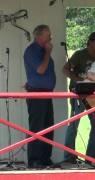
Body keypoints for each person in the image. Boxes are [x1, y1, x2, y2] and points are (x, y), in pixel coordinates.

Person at [62, 32, 95, 163]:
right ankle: (69, 157)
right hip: (78, 94)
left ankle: (91, 156)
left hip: (93, 95)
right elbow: (65, 69)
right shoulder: (80, 55)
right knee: (74, 124)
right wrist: (77, 80)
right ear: (91, 41)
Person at [23, 24, 56, 168]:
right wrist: (48, 52)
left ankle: (45, 158)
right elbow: (41, 70)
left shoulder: (43, 51)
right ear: (39, 36)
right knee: (37, 127)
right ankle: (34, 160)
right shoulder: (32, 51)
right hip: (37, 94)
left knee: (48, 127)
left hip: (46, 93)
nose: (50, 37)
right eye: (48, 35)